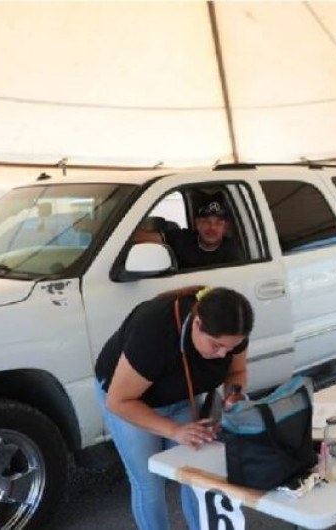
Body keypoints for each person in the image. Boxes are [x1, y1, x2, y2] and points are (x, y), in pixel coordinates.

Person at [94, 286, 254, 530]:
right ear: (197, 324)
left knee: (194, 476)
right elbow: (118, 401)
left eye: (230, 348)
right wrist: (174, 431)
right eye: (216, 345)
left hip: (180, 395)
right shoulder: (154, 331)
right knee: (149, 484)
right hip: (130, 401)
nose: (223, 354)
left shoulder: (232, 331)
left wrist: (234, 398)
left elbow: (236, 372)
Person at [134, 199, 242, 269]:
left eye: (218, 223)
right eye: (206, 222)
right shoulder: (182, 238)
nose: (212, 227)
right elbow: (139, 237)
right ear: (197, 224)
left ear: (226, 228)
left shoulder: (233, 251)